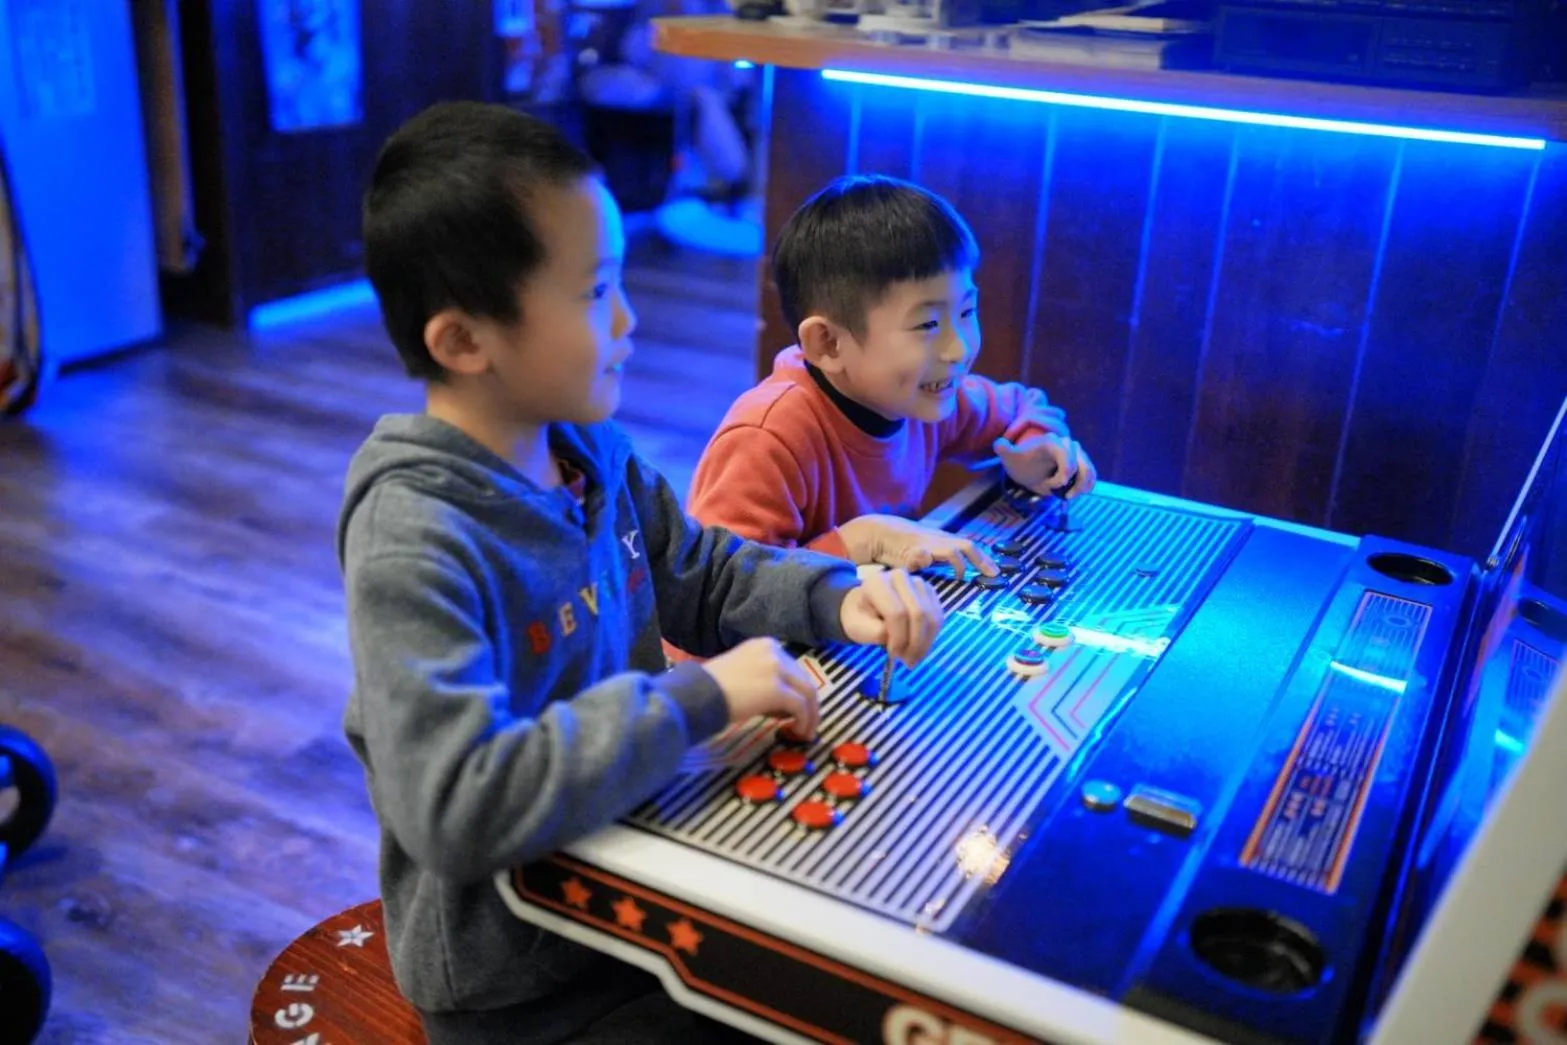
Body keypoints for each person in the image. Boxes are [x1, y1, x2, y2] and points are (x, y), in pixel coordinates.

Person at [338, 102, 945, 1045]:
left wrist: (836, 596)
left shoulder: (586, 446)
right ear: (463, 341)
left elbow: (700, 576)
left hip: (625, 895)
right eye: (593, 294)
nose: (629, 318)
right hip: (517, 983)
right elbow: (456, 804)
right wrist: (697, 697)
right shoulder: (415, 535)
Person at [686, 174, 1098, 580]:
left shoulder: (917, 395)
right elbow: (716, 594)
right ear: (828, 343)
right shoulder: (766, 439)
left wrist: (1035, 452)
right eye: (927, 325)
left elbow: (1024, 409)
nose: (959, 349)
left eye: (967, 313)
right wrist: (859, 542)